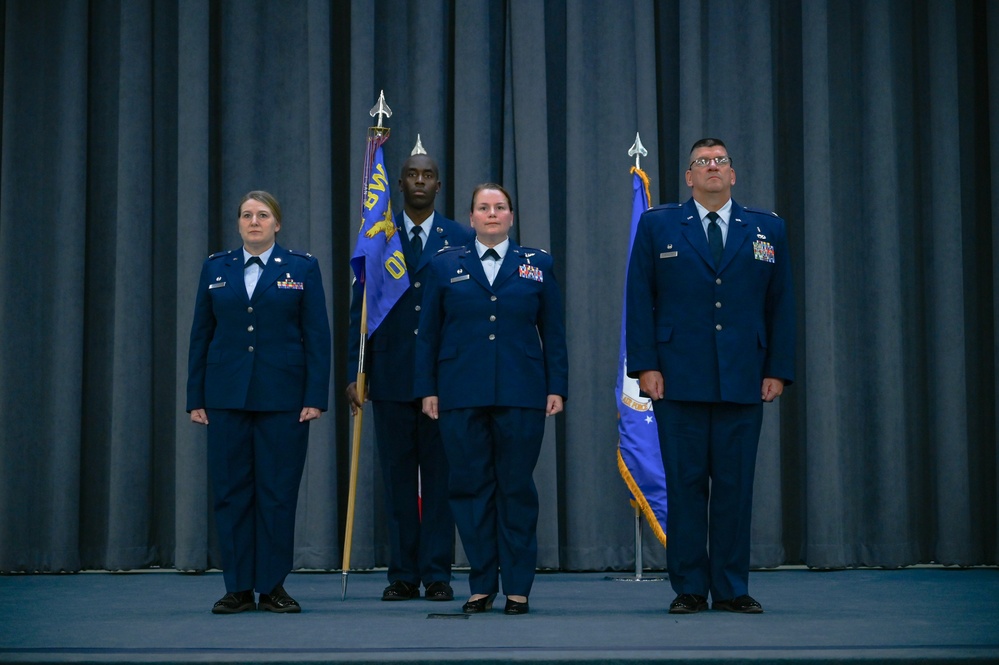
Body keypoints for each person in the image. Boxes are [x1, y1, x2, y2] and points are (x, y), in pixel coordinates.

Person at [625, 138, 795, 615]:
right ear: (689, 177)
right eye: (703, 162)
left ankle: (731, 587)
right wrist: (645, 366)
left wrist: (777, 370)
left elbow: (781, 305)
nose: (713, 168)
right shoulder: (659, 225)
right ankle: (690, 588)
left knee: (735, 488)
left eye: (721, 161)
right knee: (685, 485)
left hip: (744, 377)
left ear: (733, 175)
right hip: (676, 379)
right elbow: (639, 299)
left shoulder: (766, 229)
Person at [416, 183, 568, 616]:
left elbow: (554, 332)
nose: (492, 214)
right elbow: (427, 334)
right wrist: (427, 388)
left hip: (522, 392)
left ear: (512, 216)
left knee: (515, 489)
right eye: (483, 208)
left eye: (500, 207)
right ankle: (481, 584)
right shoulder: (445, 265)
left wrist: (556, 385)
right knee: (470, 489)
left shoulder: (537, 264)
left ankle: (517, 586)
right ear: (471, 218)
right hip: (460, 392)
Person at [187, 190, 331, 614]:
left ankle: (271, 586)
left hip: (284, 399)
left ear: (277, 223)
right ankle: (237, 586)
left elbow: (317, 337)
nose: (254, 222)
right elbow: (201, 336)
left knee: (277, 493)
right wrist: (196, 396)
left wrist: (314, 396)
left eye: (263, 215)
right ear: (238, 224)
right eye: (247, 215)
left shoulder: (302, 267)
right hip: (226, 397)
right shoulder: (216, 267)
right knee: (231, 493)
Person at [347, 152, 473, 602]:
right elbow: (358, 311)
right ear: (397, 184)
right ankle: (401, 573)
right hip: (392, 374)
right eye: (412, 175)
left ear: (439, 186)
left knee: (441, 481)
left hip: (444, 380)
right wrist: (354, 371)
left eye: (429, 175)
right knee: (399, 482)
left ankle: (438, 572)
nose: (420, 181)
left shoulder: (459, 236)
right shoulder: (378, 236)